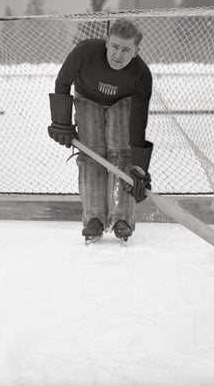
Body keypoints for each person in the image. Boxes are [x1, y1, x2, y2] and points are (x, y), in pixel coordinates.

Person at [48, 18, 153, 244]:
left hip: (123, 102)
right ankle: (93, 218)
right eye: (115, 46)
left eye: (126, 49)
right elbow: (63, 82)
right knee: (90, 155)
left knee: (122, 156)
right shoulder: (85, 51)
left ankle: (122, 219)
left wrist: (139, 168)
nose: (118, 55)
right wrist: (62, 123)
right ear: (107, 42)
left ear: (136, 51)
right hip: (87, 98)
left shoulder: (141, 75)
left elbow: (138, 122)